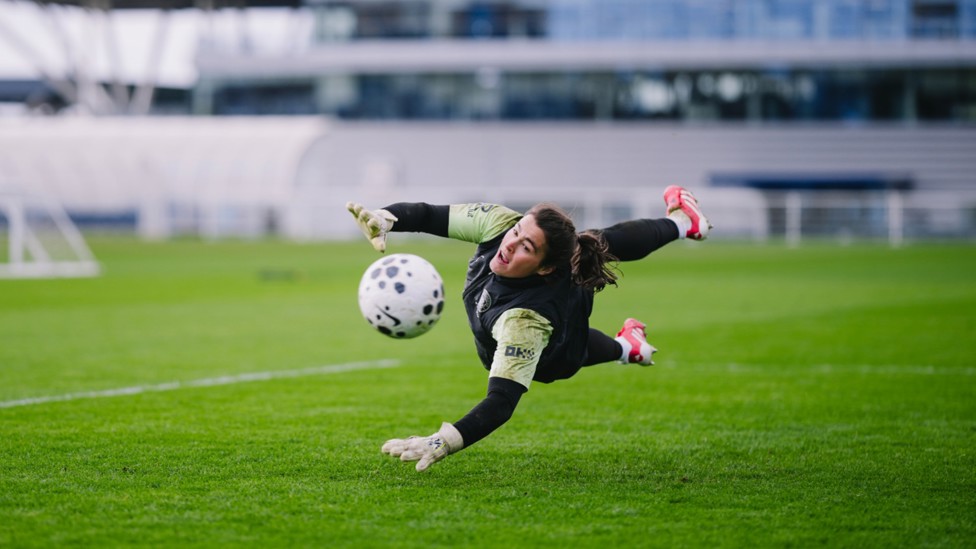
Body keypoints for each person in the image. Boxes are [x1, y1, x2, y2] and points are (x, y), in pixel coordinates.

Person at [346, 185, 711, 472]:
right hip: (536, 291)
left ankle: (625, 345)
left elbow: (501, 403)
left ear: (544, 267)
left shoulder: (526, 321)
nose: (510, 245)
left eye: (527, 247)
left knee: (572, 351)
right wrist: (386, 217)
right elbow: (429, 215)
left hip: (555, 346)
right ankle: (683, 226)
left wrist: (442, 442)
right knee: (593, 239)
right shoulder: (500, 224)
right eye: (518, 231)